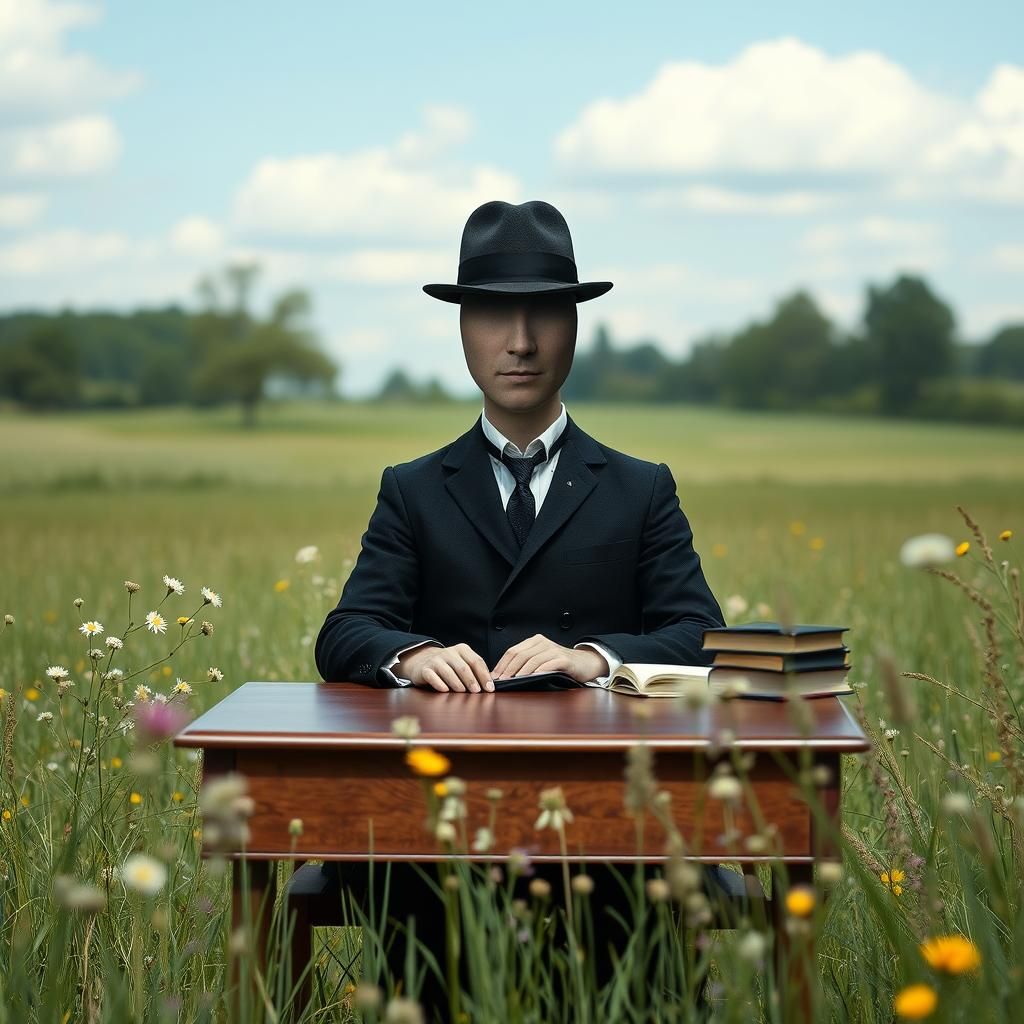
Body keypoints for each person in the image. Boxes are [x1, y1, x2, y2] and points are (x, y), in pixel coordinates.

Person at [314, 199, 727, 1012]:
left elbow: (701, 636)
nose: (521, 342)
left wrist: (593, 657)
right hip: (442, 829)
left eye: (544, 316)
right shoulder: (414, 489)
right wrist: (412, 654)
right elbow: (346, 631)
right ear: (462, 330)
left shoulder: (641, 488)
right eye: (496, 316)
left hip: (612, 826)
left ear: (575, 329)